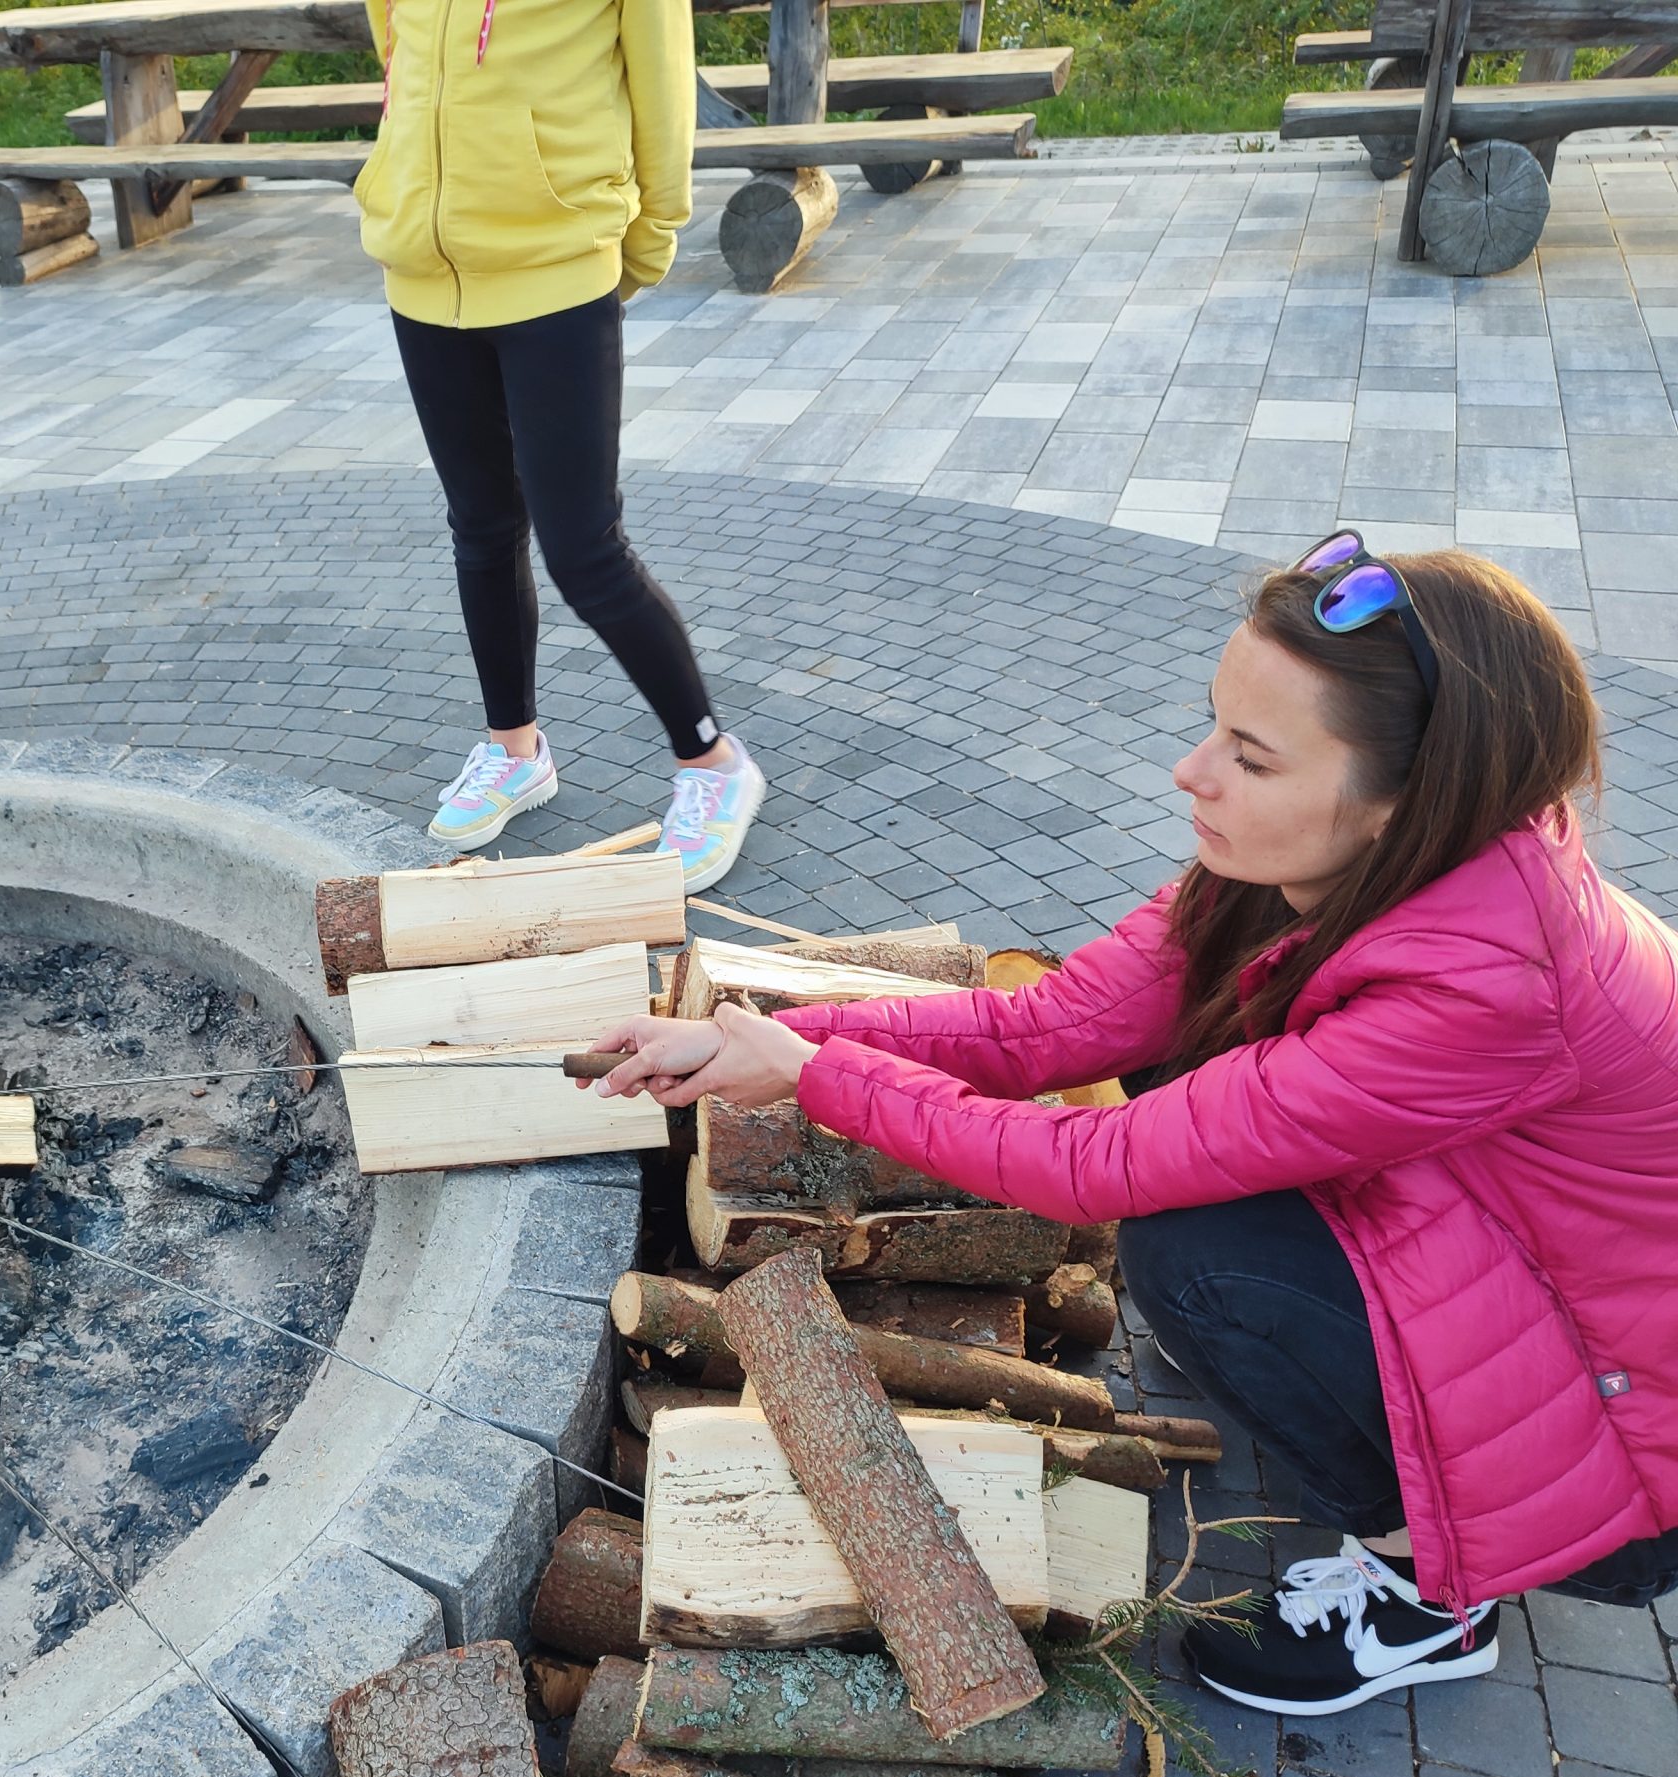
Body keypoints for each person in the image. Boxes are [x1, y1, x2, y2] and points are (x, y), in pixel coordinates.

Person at [588, 537, 1678, 1716]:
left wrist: (814, 1077)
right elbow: (1047, 1025)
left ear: (1400, 804)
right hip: (1508, 1241)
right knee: (1186, 1089)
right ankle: (1363, 1414)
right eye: (1214, 727)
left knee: (1191, 1253)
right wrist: (771, 1035)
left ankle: (1429, 1595)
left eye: (1250, 758)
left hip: (1631, 1444)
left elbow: (1090, 1168)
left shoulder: (1487, 983)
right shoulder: (1354, 865)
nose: (1189, 772)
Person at [353, 0, 763, 889]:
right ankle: (515, 751)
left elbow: (662, 89)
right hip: (422, 274)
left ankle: (713, 762)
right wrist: (397, 181)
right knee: (481, 527)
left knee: (585, 551)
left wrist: (642, 240)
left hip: (557, 269)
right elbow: (395, 43)